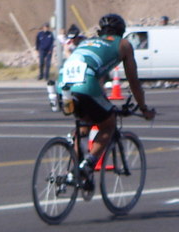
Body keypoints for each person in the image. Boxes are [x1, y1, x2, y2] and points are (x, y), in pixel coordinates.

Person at [58, 14, 155, 188]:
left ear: (99, 31)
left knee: (83, 124)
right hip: (85, 84)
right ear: (122, 32)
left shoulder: (87, 42)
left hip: (61, 85)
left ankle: (75, 170)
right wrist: (143, 108)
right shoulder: (123, 44)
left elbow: (97, 77)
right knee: (108, 124)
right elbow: (133, 81)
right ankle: (87, 165)